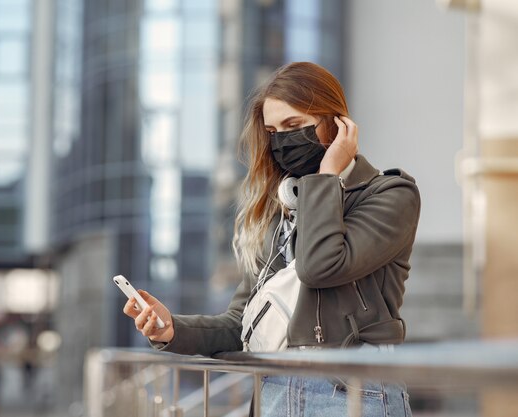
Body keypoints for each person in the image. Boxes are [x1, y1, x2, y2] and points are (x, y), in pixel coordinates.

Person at [122, 61, 420, 417]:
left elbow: (320, 266)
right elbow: (242, 324)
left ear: (337, 124)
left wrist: (327, 176)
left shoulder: (390, 195)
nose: (282, 141)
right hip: (276, 393)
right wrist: (172, 328)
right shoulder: (282, 209)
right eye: (273, 131)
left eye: (294, 126)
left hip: (353, 392)